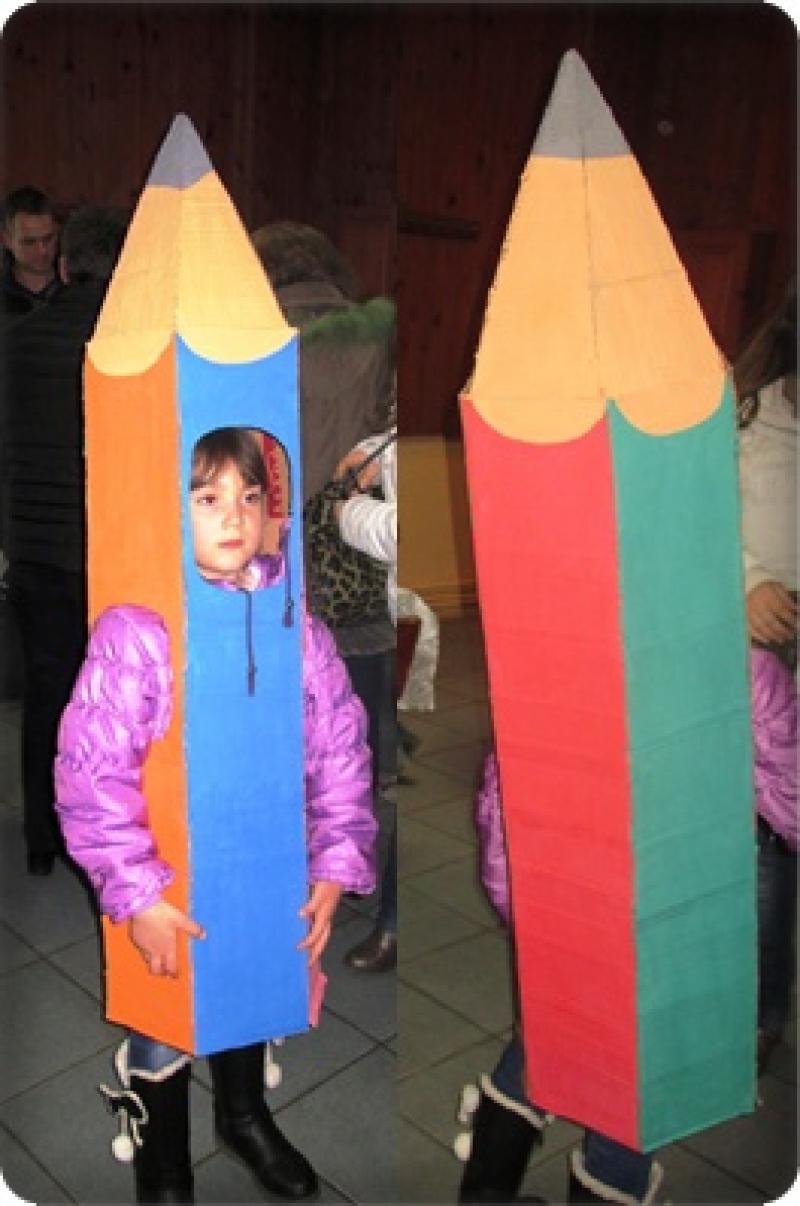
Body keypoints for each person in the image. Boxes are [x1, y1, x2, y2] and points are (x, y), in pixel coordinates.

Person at [54, 427, 377, 1204]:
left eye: (249, 495)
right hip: (165, 881)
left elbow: (340, 750)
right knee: (164, 1015)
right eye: (207, 497)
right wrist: (136, 894)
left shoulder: (297, 627)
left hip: (260, 866)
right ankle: (164, 1161)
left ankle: (242, 1113)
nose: (234, 514)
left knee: (250, 984)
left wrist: (336, 862)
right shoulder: (137, 633)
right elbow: (93, 778)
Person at [457, 752, 662, 1205]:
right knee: (637, 1062)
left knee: (551, 1032)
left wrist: (529, 919)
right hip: (650, 897)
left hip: (567, 894)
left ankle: (486, 1190)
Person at [1, 204, 127, 875]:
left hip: (37, 550)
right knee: (120, 696)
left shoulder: (18, 341)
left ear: (66, 262)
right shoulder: (137, 343)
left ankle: (43, 839)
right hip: (117, 547)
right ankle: (110, 835)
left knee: (48, 690)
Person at [734, 279, 797, 1072]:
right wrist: (746, 578)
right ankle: (759, 1010)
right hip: (757, 649)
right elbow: (693, 514)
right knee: (767, 840)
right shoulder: (745, 416)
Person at [333, 419, 399, 972]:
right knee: (350, 741)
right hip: (358, 611)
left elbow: (399, 530)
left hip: (374, 612)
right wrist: (373, 449)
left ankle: (393, 918)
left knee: (365, 745)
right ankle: (350, 863)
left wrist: (346, 513)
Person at [2, 186, 61, 320]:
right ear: (6, 240)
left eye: (48, 239)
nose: (43, 250)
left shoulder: (77, 287)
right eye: (29, 242)